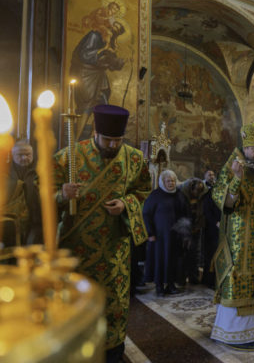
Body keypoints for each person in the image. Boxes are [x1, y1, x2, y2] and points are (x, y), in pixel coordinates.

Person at [53, 104, 151, 362]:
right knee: (77, 304)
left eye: (118, 140)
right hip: (76, 248)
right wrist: (62, 194)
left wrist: (126, 206)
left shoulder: (134, 158)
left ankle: (113, 353)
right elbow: (43, 193)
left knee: (115, 305)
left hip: (114, 251)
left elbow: (143, 192)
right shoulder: (69, 156)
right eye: (108, 139)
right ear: (95, 131)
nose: (113, 145)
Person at [210, 123, 254, 344]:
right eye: (253, 148)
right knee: (237, 275)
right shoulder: (233, 165)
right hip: (240, 239)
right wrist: (237, 179)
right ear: (245, 147)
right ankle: (232, 331)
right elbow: (224, 202)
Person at [143, 170, 189, 296]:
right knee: (160, 260)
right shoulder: (155, 195)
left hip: (176, 236)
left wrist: (185, 234)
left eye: (173, 180)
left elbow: (185, 214)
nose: (171, 183)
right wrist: (150, 233)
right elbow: (146, 214)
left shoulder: (179, 195)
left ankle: (171, 285)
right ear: (163, 182)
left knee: (173, 261)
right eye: (168, 181)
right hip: (159, 236)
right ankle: (159, 286)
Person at [4, 140, 42, 246]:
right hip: (11, 222)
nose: (24, 158)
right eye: (20, 155)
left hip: (36, 219)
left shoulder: (41, 170)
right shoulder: (4, 171)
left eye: (28, 154)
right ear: (13, 155)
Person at [178, 178, 206, 285]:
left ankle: (193, 277)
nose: (198, 193)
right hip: (184, 228)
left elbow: (200, 211)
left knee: (194, 254)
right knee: (183, 254)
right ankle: (181, 279)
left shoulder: (199, 195)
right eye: (196, 191)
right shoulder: (182, 194)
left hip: (196, 228)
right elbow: (181, 213)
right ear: (191, 189)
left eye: (200, 191)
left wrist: (198, 225)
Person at [201, 170, 221, 288]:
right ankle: (209, 280)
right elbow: (207, 212)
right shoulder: (207, 193)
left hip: (221, 228)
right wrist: (215, 222)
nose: (212, 177)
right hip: (211, 228)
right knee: (210, 254)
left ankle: (217, 279)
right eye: (209, 175)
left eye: (214, 175)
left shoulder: (220, 193)